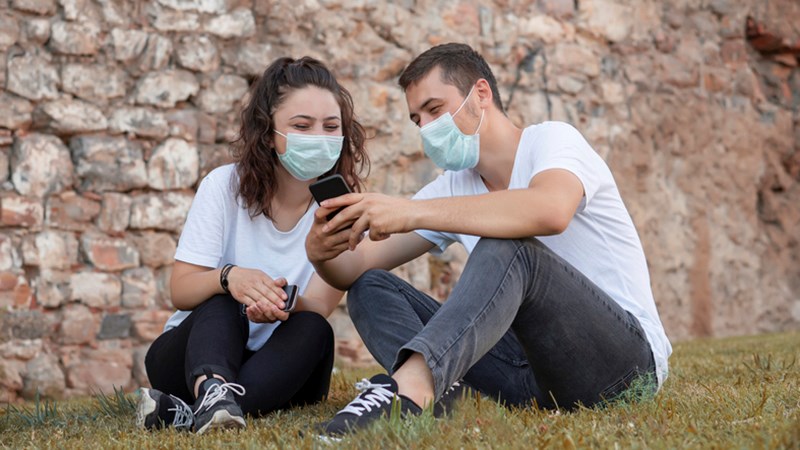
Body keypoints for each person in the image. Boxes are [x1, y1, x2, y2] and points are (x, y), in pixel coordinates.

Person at [305, 43, 672, 437]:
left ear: (480, 94)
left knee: (508, 245)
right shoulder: (453, 187)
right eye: (417, 120)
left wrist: (410, 211)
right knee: (370, 287)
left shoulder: (553, 141)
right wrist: (320, 252)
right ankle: (443, 395)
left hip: (622, 365)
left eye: (434, 109)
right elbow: (353, 270)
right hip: (525, 375)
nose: (427, 128)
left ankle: (410, 390)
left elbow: (551, 210)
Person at [136, 56, 369, 434]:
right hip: (191, 356)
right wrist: (232, 279)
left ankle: (191, 412)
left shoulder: (344, 209)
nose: (319, 138)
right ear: (268, 131)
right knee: (226, 301)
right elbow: (181, 289)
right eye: (301, 126)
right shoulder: (223, 186)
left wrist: (275, 304)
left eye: (331, 127)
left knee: (314, 329)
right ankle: (209, 391)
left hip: (274, 362)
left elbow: (319, 305)